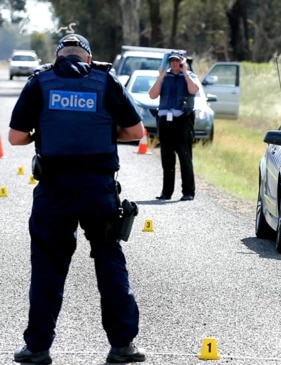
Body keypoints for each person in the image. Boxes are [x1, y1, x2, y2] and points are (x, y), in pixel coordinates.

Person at [8, 34, 146, 364]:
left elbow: (15, 138)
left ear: (57, 56)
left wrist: (44, 131)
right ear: (89, 57)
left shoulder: (40, 82)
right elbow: (136, 132)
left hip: (54, 191)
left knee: (47, 268)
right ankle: (122, 346)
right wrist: (98, 129)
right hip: (99, 190)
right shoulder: (106, 81)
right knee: (109, 261)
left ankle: (38, 349)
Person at [148, 50, 201, 201]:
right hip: (165, 121)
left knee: (185, 157)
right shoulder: (164, 77)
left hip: (183, 120)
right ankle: (166, 192)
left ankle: (188, 192)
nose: (175, 64)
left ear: (182, 62)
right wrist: (161, 77)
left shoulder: (190, 76)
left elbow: (194, 90)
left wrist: (186, 73)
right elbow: (152, 95)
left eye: (177, 61)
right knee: (167, 158)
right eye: (172, 61)